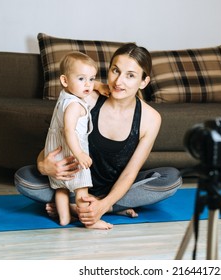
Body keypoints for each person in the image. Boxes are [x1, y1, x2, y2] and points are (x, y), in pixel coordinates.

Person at [14, 43, 182, 230]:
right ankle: (95, 207)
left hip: (116, 190)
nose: (119, 82)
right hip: (74, 186)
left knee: (171, 178)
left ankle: (89, 208)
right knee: (24, 178)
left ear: (144, 81)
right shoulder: (86, 99)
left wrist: (104, 204)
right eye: (115, 71)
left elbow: (130, 173)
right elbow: (55, 144)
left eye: (130, 75)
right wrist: (44, 166)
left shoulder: (150, 119)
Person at [44, 51, 109, 229]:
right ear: (65, 80)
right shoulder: (74, 105)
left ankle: (64, 218)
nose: (88, 84)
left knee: (61, 188)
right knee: (82, 189)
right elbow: (68, 130)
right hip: (72, 153)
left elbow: (85, 83)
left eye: (92, 78)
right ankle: (89, 221)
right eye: (82, 79)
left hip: (56, 154)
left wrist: (97, 85)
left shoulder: (65, 95)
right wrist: (79, 153)